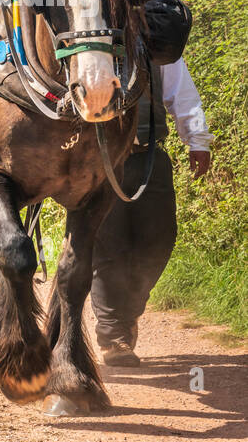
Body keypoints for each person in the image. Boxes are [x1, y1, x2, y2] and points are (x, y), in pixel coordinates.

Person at [90, 56, 214, 366]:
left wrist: (197, 139)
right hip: (99, 160)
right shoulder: (84, 39)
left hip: (149, 155)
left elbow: (181, 93)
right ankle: (112, 336)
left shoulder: (154, 40)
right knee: (108, 245)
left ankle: (128, 313)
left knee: (160, 240)